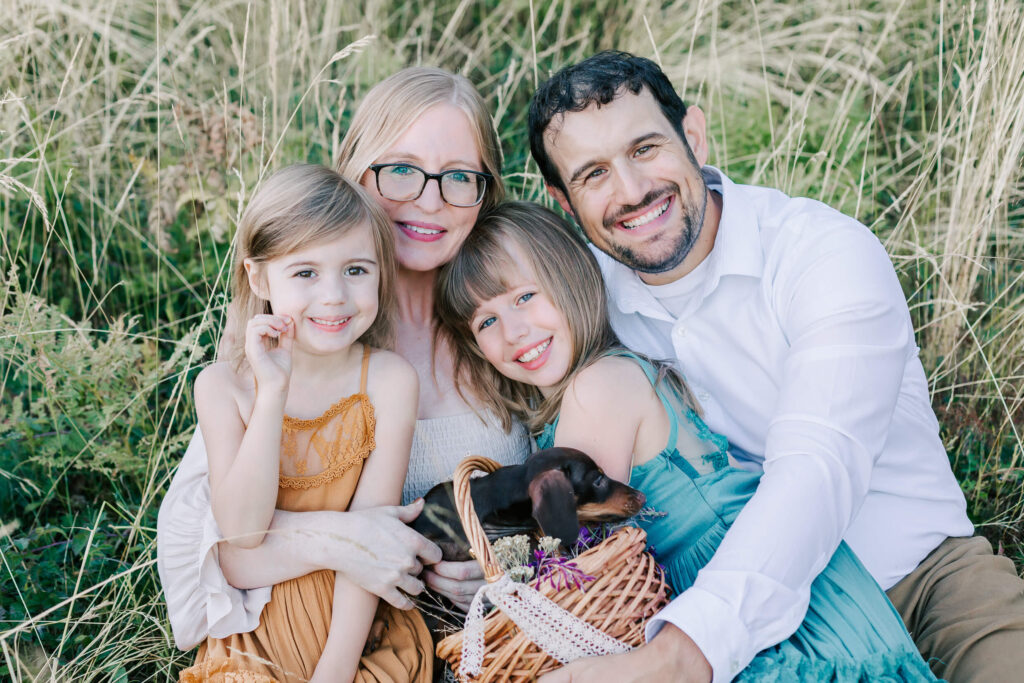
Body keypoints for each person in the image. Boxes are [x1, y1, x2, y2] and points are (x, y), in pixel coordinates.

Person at [524, 50, 1024, 682]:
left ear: (694, 137)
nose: (630, 191)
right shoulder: (580, 305)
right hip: (742, 631)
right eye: (593, 174)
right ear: (564, 202)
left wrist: (683, 656)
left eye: (646, 148)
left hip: (919, 585)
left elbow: (818, 469)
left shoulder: (821, 254)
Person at [436, 200, 939, 681]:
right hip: (795, 591)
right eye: (487, 321)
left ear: (569, 279)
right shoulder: (587, 391)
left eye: (525, 297)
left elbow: (572, 562)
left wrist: (493, 585)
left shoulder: (596, 389)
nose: (515, 331)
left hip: (750, 609)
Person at [157, 67, 530, 652]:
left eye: (459, 177)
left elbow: (575, 489)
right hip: (315, 643)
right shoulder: (305, 341)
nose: (429, 201)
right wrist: (348, 539)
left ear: (485, 192)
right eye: (401, 170)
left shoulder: (511, 322)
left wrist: (509, 566)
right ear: (353, 172)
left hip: (498, 645)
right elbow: (221, 551)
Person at [178, 163, 430, 682]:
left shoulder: (387, 380)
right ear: (259, 276)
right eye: (306, 272)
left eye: (357, 270)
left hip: (357, 637)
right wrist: (272, 392)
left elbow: (372, 544)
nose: (334, 295)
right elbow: (244, 535)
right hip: (254, 642)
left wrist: (333, 674)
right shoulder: (223, 387)